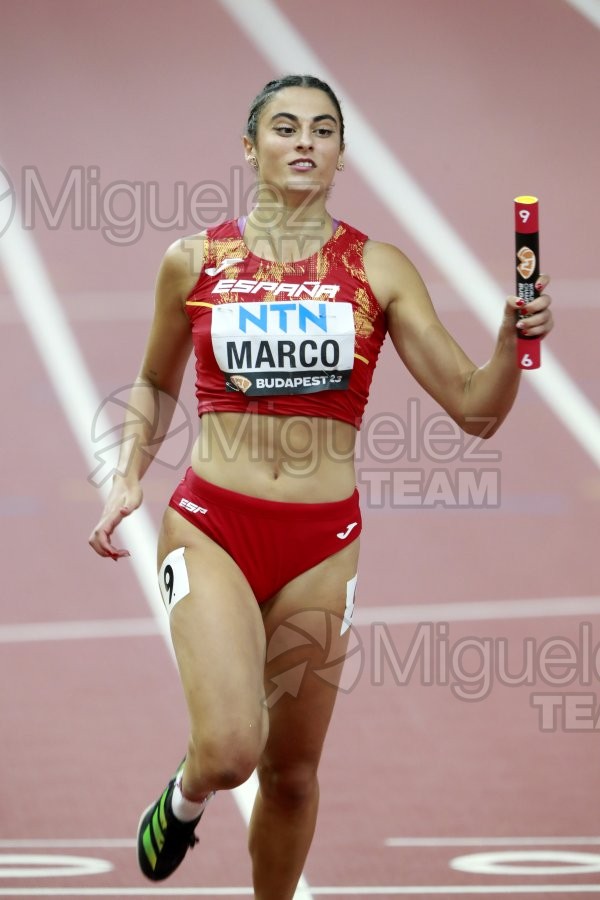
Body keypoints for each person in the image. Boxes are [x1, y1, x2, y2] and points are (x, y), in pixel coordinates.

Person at [89, 74, 553, 899]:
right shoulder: (195, 261)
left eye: (323, 129)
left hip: (322, 546)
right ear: (250, 146)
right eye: (285, 126)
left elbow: (475, 410)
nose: (304, 140)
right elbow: (155, 386)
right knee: (232, 751)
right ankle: (189, 794)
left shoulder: (379, 269)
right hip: (213, 527)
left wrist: (511, 342)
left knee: (293, 774)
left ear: (341, 153)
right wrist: (126, 478)